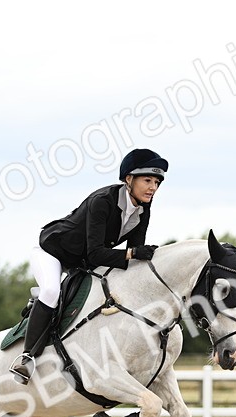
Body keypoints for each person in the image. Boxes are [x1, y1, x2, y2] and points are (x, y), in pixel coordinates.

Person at [9, 148, 168, 383]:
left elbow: (132, 258)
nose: (153, 187)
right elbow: (98, 254)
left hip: (83, 261)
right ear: (128, 179)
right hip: (54, 251)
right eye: (147, 180)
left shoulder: (144, 209)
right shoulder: (102, 201)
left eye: (156, 182)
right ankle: (27, 357)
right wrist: (133, 253)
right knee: (52, 291)